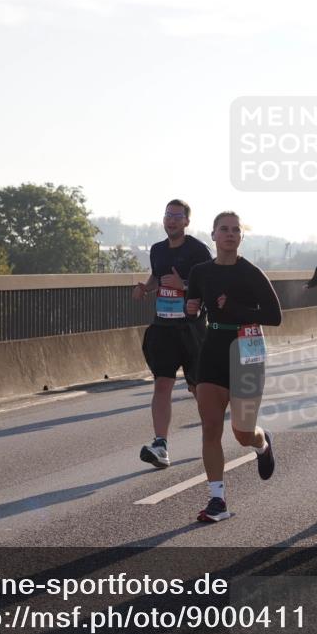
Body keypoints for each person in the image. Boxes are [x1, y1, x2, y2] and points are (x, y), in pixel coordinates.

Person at [186, 212, 282, 522]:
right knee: (210, 428)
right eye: (223, 229)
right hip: (213, 348)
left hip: (247, 350)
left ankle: (261, 442)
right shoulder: (201, 271)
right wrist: (191, 310)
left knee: (241, 432)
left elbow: (274, 315)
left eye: (235, 230)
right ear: (213, 235)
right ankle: (217, 500)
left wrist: (235, 309)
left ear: (241, 237)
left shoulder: (250, 273)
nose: (229, 234)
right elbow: (195, 307)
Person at [133, 199, 213, 468]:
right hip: (163, 327)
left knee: (197, 388)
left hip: (191, 329)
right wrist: (145, 288)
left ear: (187, 222)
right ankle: (160, 445)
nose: (172, 220)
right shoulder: (157, 250)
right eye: (168, 215)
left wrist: (185, 284)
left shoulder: (198, 251)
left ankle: (212, 435)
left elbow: (209, 286)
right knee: (162, 384)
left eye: (178, 216)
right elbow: (158, 277)